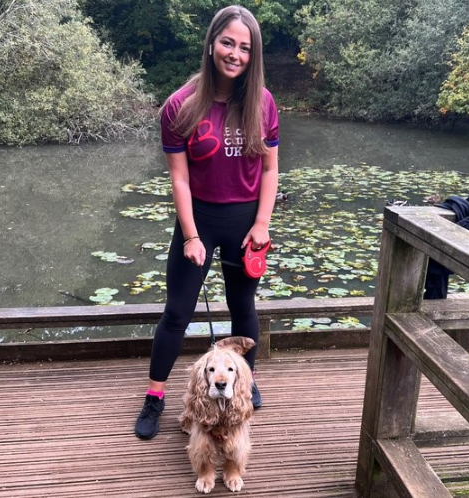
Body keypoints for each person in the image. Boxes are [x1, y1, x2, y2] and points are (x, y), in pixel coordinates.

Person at [134, 5, 279, 440]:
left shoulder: (263, 102)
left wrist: (262, 224)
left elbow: (270, 170)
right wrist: (192, 236)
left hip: (245, 222)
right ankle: (154, 398)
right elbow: (179, 177)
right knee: (176, 313)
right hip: (199, 218)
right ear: (212, 43)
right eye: (227, 43)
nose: (235, 54)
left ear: (253, 56)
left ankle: (243, 386)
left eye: (245, 48)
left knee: (243, 310)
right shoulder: (180, 106)